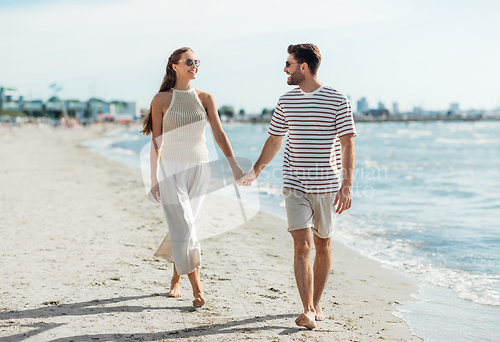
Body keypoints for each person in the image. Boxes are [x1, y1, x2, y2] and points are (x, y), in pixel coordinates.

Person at [239, 44, 356, 329]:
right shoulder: (286, 101)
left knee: (323, 245)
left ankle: (316, 303)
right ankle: (307, 310)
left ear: (303, 67)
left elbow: (347, 142)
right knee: (302, 246)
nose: (285, 70)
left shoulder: (338, 99)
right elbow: (275, 139)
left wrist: (347, 184)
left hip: (326, 185)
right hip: (294, 185)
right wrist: (255, 170)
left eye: (289, 64)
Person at [141, 47, 243, 307]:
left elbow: (219, 134)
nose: (194, 65)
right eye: (188, 61)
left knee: (186, 227)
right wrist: (154, 179)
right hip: (171, 169)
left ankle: (176, 278)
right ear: (174, 66)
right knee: (185, 225)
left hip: (200, 168)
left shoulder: (206, 98)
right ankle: (198, 290)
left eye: (196, 61)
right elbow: (156, 142)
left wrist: (234, 166)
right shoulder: (161, 99)